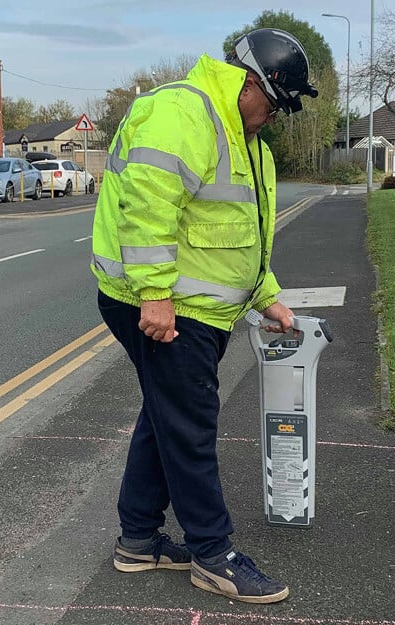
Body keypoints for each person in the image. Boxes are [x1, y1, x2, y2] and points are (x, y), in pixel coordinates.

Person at [90, 27, 318, 604]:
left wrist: (266, 294)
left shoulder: (241, 135)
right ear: (248, 83)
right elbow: (147, 208)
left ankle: (138, 541)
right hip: (170, 308)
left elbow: (239, 232)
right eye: (273, 103)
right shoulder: (182, 112)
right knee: (190, 427)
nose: (273, 116)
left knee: (166, 416)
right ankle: (213, 554)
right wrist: (155, 296)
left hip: (192, 308)